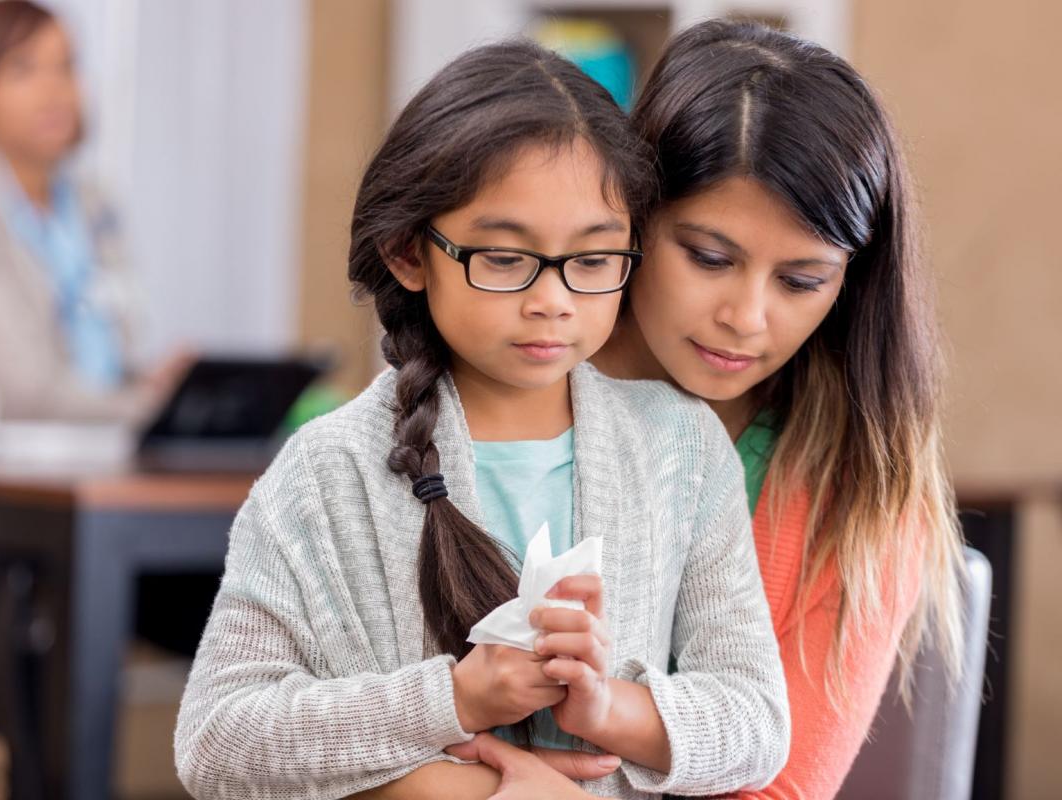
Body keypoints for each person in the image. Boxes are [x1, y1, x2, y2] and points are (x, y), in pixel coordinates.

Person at [174, 40, 789, 800]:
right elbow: (218, 740)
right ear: (408, 252)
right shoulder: (327, 469)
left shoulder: (681, 448)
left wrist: (608, 708)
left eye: (593, 260)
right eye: (503, 258)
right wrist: (455, 703)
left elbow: (758, 725)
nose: (552, 301)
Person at [585, 19, 966, 799]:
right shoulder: (507, 387)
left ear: (851, 281)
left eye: (800, 281)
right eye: (709, 258)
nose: (746, 318)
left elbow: (778, 789)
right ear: (634, 216)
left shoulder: (862, 490)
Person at [0, 0, 181, 446]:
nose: (54, 90)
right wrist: (155, 407)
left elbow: (101, 358)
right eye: (23, 69)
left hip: (93, 458)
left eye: (66, 66)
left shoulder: (95, 206)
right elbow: (20, 390)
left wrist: (157, 383)